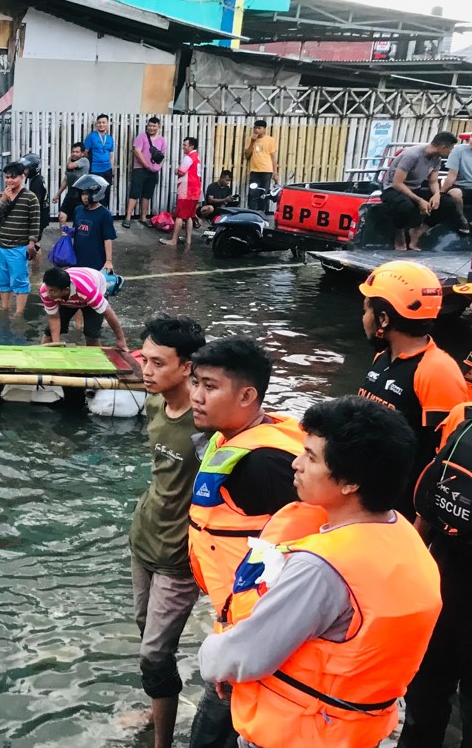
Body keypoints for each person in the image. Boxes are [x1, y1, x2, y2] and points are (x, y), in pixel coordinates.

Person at [198, 396, 441, 748]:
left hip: (299, 733)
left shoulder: (321, 568)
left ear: (350, 483)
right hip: (355, 732)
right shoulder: (402, 534)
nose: (295, 464)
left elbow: (245, 656)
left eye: (310, 457)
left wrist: (213, 655)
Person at [187, 336, 304, 748]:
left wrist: (255, 645)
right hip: (236, 625)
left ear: (247, 395)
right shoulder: (230, 439)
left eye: (210, 386)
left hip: (258, 637)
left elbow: (311, 549)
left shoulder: (265, 464)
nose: (196, 396)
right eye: (195, 382)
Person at [131, 315, 207, 748]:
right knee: (148, 639)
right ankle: (157, 704)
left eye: (159, 363)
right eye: (145, 360)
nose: (147, 371)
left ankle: (161, 744)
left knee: (155, 653)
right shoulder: (155, 401)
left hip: (179, 556)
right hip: (143, 536)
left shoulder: (206, 423)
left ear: (188, 367)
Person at [357, 259, 466, 518]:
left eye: (366, 310)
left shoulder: (436, 371)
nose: (363, 319)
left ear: (383, 319)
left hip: (401, 513)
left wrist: (421, 526)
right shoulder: (383, 358)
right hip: (369, 497)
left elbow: (445, 465)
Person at [400, 399, 472, 747]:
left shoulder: (465, 421)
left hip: (444, 582)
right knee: (426, 692)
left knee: (427, 694)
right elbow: (435, 492)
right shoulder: (464, 419)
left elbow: (430, 499)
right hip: (443, 582)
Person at [381, 132, 460, 249]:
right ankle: (399, 234)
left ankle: (417, 232)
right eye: (450, 149)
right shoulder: (412, 155)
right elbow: (397, 183)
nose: (450, 152)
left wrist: (437, 195)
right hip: (393, 189)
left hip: (415, 188)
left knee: (448, 203)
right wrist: (420, 201)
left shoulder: (437, 158)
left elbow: (433, 181)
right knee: (404, 207)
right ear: (443, 147)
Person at [0, 161, 41, 316]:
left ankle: (19, 313)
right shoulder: (2, 195)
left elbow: (35, 222)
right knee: (3, 280)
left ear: (22, 177)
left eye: (13, 177)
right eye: (7, 177)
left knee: (19, 281)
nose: (9, 180)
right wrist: (3, 200)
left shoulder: (30, 198)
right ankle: (5, 307)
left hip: (19, 247)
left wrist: (31, 243)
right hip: (1, 245)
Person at [39, 266, 127, 349]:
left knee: (91, 335)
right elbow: (53, 317)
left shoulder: (88, 291)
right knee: (49, 333)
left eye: (52, 291)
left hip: (92, 288)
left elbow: (108, 313)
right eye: (48, 289)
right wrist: (56, 344)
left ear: (65, 290)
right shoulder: (46, 291)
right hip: (68, 297)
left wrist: (120, 339)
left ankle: (95, 361)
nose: (48, 294)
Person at [124, 117, 166, 228]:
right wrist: (147, 165)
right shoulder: (141, 137)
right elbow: (137, 152)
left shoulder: (161, 140)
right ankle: (128, 217)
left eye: (154, 126)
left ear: (158, 127)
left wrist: (157, 168)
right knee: (134, 193)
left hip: (153, 171)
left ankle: (143, 217)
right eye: (150, 126)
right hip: (140, 169)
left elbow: (162, 156)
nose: (151, 128)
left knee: (147, 194)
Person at [160, 137, 202, 248]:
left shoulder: (188, 157)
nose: (183, 147)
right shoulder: (197, 157)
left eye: (185, 145)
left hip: (186, 190)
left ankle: (174, 240)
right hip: (195, 190)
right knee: (189, 216)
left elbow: (181, 172)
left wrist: (176, 170)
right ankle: (188, 240)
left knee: (179, 215)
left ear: (191, 147)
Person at [69, 174, 115, 271]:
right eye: (82, 194)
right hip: (78, 258)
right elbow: (76, 231)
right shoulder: (78, 210)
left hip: (95, 261)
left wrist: (109, 261)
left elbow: (108, 239)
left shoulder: (104, 214)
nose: (84, 197)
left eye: (87, 194)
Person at [440, 134, 472, 235]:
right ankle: (462, 219)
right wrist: (440, 193)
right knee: (454, 193)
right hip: (462, 186)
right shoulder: (458, 151)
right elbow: (451, 176)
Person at [244, 120, 278, 212]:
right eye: (255, 128)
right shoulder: (250, 139)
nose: (256, 130)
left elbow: (273, 157)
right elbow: (247, 155)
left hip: (267, 170)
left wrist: (275, 172)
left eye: (259, 128)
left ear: (264, 129)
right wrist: (252, 142)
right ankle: (251, 212)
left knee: (264, 192)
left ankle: (263, 212)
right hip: (254, 170)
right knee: (252, 192)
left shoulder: (270, 140)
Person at [53, 142, 90, 227]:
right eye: (73, 152)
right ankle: (65, 237)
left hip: (81, 194)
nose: (74, 154)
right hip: (71, 193)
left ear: (82, 153)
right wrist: (57, 194)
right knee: (62, 217)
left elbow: (70, 166)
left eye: (77, 152)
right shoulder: (71, 162)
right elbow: (66, 179)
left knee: (79, 220)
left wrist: (70, 159)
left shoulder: (84, 160)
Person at [84, 114, 115, 207]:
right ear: (96, 124)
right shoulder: (91, 136)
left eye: (103, 122)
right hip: (95, 170)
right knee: (95, 194)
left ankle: (104, 214)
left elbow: (111, 155)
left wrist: (111, 170)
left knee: (106, 193)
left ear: (107, 123)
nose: (101, 124)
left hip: (107, 170)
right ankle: (94, 214)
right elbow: (85, 153)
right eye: (99, 123)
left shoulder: (110, 138)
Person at [21, 152, 49, 235]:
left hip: (39, 216)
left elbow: (35, 201)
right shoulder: (38, 178)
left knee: (35, 243)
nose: (24, 171)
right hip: (43, 213)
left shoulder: (36, 182)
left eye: (26, 169)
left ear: (33, 168)